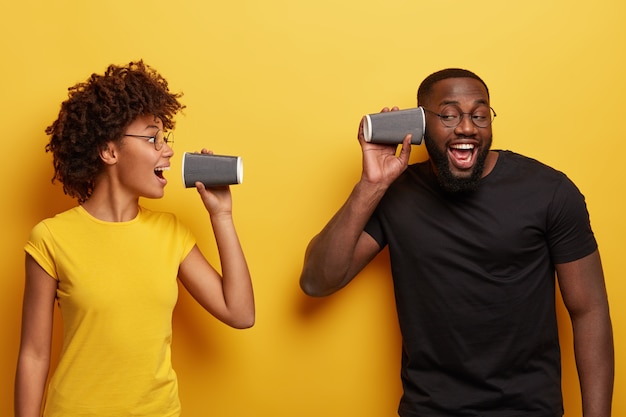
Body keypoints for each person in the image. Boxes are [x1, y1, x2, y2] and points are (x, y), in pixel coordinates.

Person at [300, 68, 613, 417]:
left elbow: (589, 311)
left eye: (479, 115)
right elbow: (317, 281)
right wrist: (371, 185)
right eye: (448, 115)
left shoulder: (549, 192)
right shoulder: (396, 194)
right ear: (419, 123)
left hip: (528, 410)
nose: (466, 127)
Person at [14, 61, 255, 417]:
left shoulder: (171, 233)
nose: (167, 150)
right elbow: (33, 354)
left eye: (165, 138)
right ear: (109, 151)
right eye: (152, 138)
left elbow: (240, 312)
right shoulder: (50, 238)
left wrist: (221, 215)